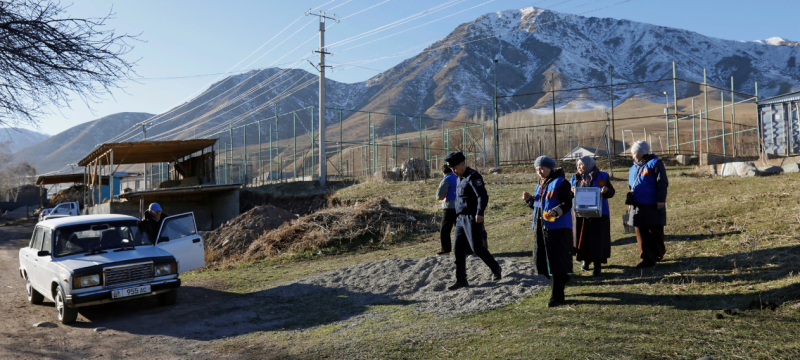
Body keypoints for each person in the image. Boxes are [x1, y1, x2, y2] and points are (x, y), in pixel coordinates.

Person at [445, 151, 502, 291]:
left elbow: (482, 196)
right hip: (460, 218)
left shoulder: (473, 176)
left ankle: (495, 268)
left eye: (454, 168)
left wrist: (480, 212)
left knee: (477, 247)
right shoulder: (459, 177)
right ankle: (461, 279)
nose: (453, 171)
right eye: (451, 169)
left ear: (462, 164)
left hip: (472, 217)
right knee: (457, 249)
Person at [523, 156, 574, 307]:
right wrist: (529, 200)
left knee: (556, 263)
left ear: (551, 168)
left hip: (558, 229)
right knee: (541, 262)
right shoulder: (540, 184)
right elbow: (539, 205)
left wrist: (556, 211)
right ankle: (562, 279)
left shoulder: (561, 183)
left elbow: (567, 202)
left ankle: (558, 297)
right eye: (537, 169)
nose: (539, 172)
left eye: (542, 169)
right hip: (541, 228)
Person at [570, 156, 615, 277]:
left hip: (599, 215)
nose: (579, 167)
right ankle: (585, 260)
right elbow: (568, 194)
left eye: (581, 165)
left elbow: (612, 192)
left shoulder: (603, 176)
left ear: (588, 165)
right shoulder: (575, 178)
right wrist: (571, 190)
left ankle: (597, 265)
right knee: (583, 238)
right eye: (578, 165)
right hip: (581, 214)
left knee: (597, 240)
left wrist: (606, 191)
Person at [627, 141, 668, 268]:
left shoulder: (655, 164)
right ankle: (646, 258)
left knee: (655, 230)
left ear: (642, 152)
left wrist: (661, 199)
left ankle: (658, 254)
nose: (632, 155)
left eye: (634, 152)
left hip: (652, 203)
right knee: (640, 231)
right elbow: (630, 187)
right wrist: (630, 203)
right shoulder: (632, 168)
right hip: (637, 204)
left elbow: (662, 183)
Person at [435, 164, 458, 256]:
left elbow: (440, 195)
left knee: (445, 230)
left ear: (443, 172)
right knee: (459, 229)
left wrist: (438, 197)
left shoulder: (446, 179)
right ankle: (463, 250)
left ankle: (445, 250)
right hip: (461, 206)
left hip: (449, 207)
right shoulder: (458, 177)